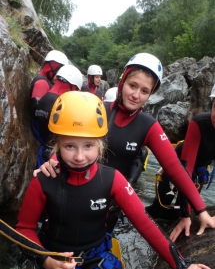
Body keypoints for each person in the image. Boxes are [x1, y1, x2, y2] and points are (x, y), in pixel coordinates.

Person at [16, 91, 212, 269]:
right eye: (69, 146)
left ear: (101, 145)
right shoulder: (43, 182)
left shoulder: (114, 179)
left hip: (99, 259)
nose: (79, 156)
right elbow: (24, 228)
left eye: (88, 146)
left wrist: (181, 265)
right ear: (56, 144)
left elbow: (145, 224)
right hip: (59, 262)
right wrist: (46, 260)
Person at [35, 53, 215, 237]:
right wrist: (52, 161)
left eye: (145, 91)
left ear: (151, 94)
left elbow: (176, 169)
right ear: (122, 82)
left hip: (105, 208)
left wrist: (200, 210)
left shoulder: (148, 126)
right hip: (67, 196)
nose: (136, 95)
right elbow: (67, 144)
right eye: (132, 86)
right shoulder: (97, 109)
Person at [148, 83, 215, 242]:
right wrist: (186, 216)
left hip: (198, 169)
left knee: (183, 209)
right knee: (160, 209)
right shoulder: (200, 123)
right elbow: (186, 168)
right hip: (176, 164)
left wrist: (186, 213)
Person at [34, 64, 83, 165]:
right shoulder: (62, 104)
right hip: (54, 156)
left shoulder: (45, 97)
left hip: (43, 150)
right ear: (73, 86)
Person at [29, 50, 69, 143]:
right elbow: (39, 111)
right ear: (53, 66)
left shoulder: (45, 80)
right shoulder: (42, 83)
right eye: (59, 70)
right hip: (42, 130)